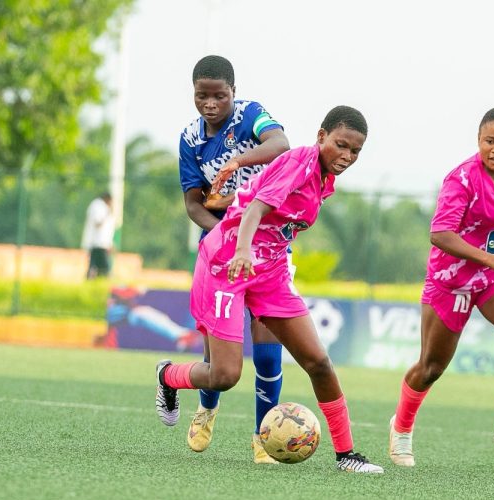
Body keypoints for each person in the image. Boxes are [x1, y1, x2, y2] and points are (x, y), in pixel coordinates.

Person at [157, 105, 383, 473]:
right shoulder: (300, 163)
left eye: (355, 151)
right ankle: (167, 376)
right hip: (228, 265)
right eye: (341, 145)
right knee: (225, 376)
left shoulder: (325, 179)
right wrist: (243, 250)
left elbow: (265, 206)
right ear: (321, 136)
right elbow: (255, 211)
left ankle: (347, 456)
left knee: (318, 362)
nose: (347, 155)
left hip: (271, 272)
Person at [388, 108, 494, 468]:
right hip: (452, 279)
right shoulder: (462, 179)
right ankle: (401, 427)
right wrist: (488, 258)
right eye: (489, 141)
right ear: (478, 140)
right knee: (432, 367)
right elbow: (440, 234)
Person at [177, 55, 291, 463]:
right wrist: (224, 233)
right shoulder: (190, 139)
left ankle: (263, 437)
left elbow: (280, 145)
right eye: (202, 96)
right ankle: (207, 408)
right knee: (217, 355)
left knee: (267, 350)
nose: (210, 103)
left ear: (233, 93)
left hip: (269, 248)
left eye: (219, 95)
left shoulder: (250, 116)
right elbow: (194, 203)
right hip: (219, 252)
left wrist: (238, 160)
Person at [81, 192, 115, 279]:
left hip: (100, 243)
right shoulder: (97, 206)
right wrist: (107, 214)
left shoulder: (101, 207)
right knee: (104, 268)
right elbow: (98, 223)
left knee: (95, 265)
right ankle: (98, 280)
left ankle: (94, 280)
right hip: (98, 243)